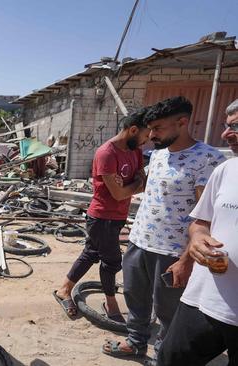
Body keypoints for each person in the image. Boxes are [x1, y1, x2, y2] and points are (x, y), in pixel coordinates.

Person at [102, 96, 226, 360]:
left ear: (182, 122)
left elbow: (206, 217)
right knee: (135, 297)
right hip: (139, 241)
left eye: (158, 129)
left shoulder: (208, 159)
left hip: (172, 251)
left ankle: (163, 355)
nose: (152, 135)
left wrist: (186, 260)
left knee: (169, 311)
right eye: (151, 129)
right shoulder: (157, 155)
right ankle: (135, 342)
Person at [157, 100, 238, 365]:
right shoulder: (227, 170)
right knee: (170, 359)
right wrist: (198, 238)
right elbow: (200, 220)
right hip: (204, 299)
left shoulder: (207, 158)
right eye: (228, 126)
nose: (225, 135)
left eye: (236, 126)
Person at [54, 108, 150, 320]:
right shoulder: (106, 153)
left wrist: (130, 186)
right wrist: (133, 184)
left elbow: (143, 183)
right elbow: (118, 193)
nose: (147, 141)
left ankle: (64, 290)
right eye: (145, 136)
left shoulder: (135, 151)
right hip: (102, 217)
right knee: (113, 262)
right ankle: (111, 303)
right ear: (133, 130)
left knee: (91, 253)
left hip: (118, 216)